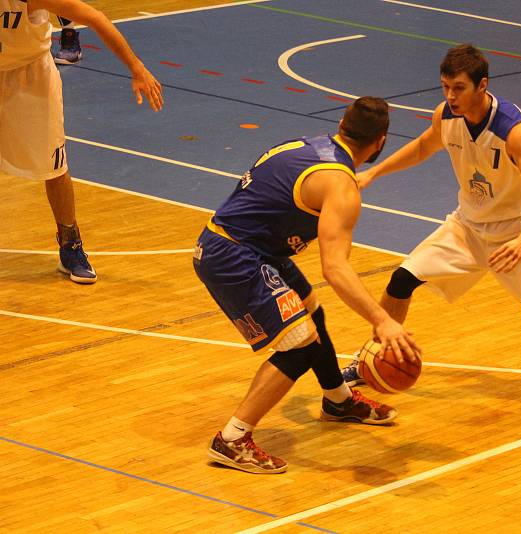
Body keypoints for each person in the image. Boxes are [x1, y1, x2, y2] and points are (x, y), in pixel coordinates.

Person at [342, 44, 521, 428]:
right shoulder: (446, 115)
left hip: (518, 231)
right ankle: (376, 353)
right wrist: (372, 173)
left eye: (459, 88)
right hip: (466, 227)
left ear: (482, 85)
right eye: (445, 87)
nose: (450, 96)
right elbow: (422, 148)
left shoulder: (512, 130)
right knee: (400, 282)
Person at [194, 97, 421, 474]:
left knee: (313, 311)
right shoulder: (342, 186)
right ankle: (232, 439)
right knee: (299, 347)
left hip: (250, 246)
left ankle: (338, 400)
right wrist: (383, 320)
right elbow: (334, 267)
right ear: (381, 141)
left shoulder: (307, 146)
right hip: (236, 255)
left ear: (342, 123)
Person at [0, 0, 163, 284]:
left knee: (54, 164)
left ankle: (70, 244)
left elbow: (96, 17)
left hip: (30, 75)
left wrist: (137, 68)